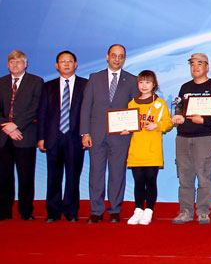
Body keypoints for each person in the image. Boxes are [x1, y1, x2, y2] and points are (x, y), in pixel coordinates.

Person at [79, 44, 138, 224]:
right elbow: (86, 106)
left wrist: (131, 128)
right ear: (107, 56)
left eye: (121, 56)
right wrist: (85, 132)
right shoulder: (94, 78)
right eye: (114, 55)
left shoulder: (132, 80)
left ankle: (115, 210)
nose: (117, 59)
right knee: (96, 173)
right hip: (96, 134)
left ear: (124, 58)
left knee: (117, 173)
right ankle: (96, 210)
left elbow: (136, 108)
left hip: (121, 135)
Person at [170, 53, 211, 225]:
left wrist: (205, 120)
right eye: (192, 64)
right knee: (184, 177)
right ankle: (185, 211)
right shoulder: (185, 87)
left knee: (203, 176)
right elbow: (179, 107)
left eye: (199, 63)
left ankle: (203, 212)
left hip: (203, 137)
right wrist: (177, 116)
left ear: (207, 67)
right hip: (183, 137)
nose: (195, 67)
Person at [37, 51, 87, 222]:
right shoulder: (48, 86)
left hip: (75, 137)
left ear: (76, 64)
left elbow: (90, 113)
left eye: (69, 61)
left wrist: (86, 133)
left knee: (73, 176)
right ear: (56, 65)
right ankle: (53, 211)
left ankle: (71, 211)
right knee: (53, 176)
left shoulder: (85, 85)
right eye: (62, 61)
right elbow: (42, 113)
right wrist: (41, 137)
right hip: (53, 137)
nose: (66, 64)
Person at [123, 70, 173, 225]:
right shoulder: (132, 103)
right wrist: (125, 129)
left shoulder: (160, 104)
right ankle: (138, 209)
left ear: (154, 84)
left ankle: (149, 210)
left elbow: (168, 123)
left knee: (150, 180)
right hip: (136, 149)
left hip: (152, 150)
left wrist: (157, 125)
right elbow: (127, 122)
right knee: (138, 181)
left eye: (148, 82)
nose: (144, 86)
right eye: (141, 82)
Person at [0, 50, 43, 221]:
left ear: (25, 64)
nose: (15, 65)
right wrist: (7, 126)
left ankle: (26, 212)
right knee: (3, 176)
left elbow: (35, 108)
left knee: (26, 176)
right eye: (12, 62)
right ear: (7, 65)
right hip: (3, 136)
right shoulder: (1, 82)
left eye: (18, 62)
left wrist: (16, 125)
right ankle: (4, 211)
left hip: (25, 135)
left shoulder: (36, 82)